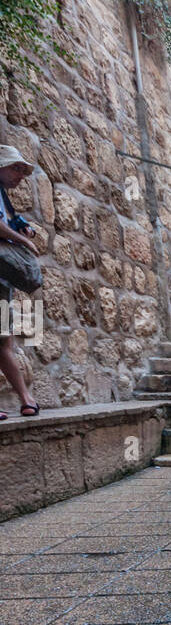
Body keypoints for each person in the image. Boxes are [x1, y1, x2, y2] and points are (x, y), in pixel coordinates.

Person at [0, 145, 41, 420]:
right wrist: (23, 240)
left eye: (22, 171)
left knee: (3, 340)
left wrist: (20, 227)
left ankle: (27, 399)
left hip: (1, 277)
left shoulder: (4, 197)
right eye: (15, 168)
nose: (20, 175)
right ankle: (26, 398)